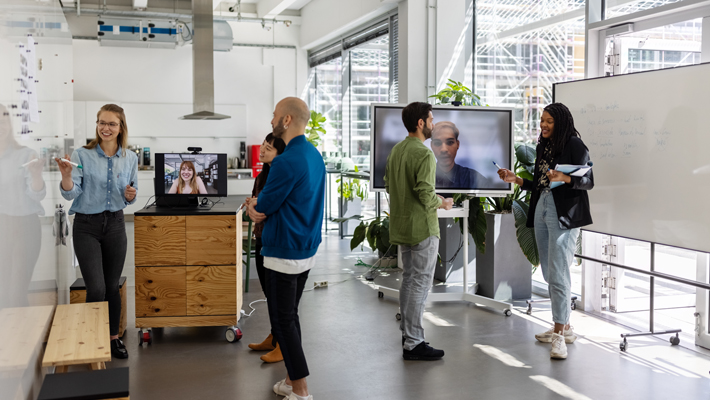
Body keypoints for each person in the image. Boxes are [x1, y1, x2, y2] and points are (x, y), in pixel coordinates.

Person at [497, 103, 593, 360]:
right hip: (541, 207)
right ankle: (566, 326)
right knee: (549, 271)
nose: (543, 124)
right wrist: (516, 180)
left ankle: (560, 334)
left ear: (560, 122)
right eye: (542, 120)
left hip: (564, 213)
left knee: (559, 272)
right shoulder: (543, 146)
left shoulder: (575, 145)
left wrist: (566, 178)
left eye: (548, 120)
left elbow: (589, 180)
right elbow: (540, 184)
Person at [247, 97, 325, 400]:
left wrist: (256, 205)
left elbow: (265, 204)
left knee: (283, 321)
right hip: (305, 249)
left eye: (275, 115)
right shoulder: (313, 154)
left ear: (288, 120)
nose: (271, 121)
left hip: (283, 251)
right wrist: (259, 206)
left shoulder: (285, 160)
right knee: (290, 317)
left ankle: (301, 390)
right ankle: (293, 381)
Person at [56, 104, 138, 360]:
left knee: (112, 286)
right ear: (97, 125)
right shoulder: (82, 154)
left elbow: (130, 196)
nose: (106, 128)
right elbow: (71, 192)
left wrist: (130, 195)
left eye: (112, 123)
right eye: (102, 123)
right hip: (86, 226)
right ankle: (91, 339)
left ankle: (113, 339)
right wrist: (67, 176)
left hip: (115, 223)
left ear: (120, 127)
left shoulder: (130, 158)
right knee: (97, 287)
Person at [384, 102, 453, 361]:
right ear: (421, 123)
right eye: (432, 120)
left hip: (402, 226)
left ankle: (408, 334)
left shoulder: (397, 150)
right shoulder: (424, 155)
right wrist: (443, 202)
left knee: (410, 281)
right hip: (423, 228)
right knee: (419, 284)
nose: (434, 125)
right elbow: (426, 193)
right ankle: (414, 342)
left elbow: (390, 186)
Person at [245, 132, 286, 363]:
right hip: (260, 238)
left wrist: (257, 207)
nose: (262, 150)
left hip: (273, 239)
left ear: (280, 154)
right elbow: (256, 204)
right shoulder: (261, 176)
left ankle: (281, 342)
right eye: (263, 145)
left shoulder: (279, 176)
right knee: (268, 293)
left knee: (277, 295)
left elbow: (270, 207)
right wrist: (251, 205)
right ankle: (274, 336)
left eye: (269, 148)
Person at [0, 104, 46, 309]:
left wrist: (36, 176)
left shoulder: (25, 154)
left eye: (3, 120)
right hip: (2, 225)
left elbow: (37, 194)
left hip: (24, 226)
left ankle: (21, 339)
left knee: (16, 293)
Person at [431, 121, 491, 189]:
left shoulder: (474, 179)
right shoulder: (422, 178)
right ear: (431, 146)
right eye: (437, 143)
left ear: (458, 144)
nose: (444, 149)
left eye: (450, 142)